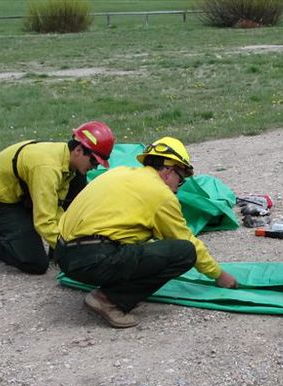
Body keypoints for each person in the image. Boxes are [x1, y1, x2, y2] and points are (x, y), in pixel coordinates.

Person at [55, 137, 238, 328]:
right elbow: (185, 240)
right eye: (180, 179)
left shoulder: (120, 173)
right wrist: (219, 275)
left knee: (143, 243)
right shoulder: (161, 195)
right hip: (94, 260)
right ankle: (109, 300)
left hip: (63, 256)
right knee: (184, 252)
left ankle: (107, 283)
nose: (178, 186)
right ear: (168, 170)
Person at [0, 121, 114, 274]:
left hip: (22, 195)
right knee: (35, 263)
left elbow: (57, 205)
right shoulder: (47, 169)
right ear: (78, 150)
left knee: (79, 180)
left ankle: (55, 246)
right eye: (94, 161)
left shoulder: (67, 160)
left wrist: (74, 237)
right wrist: (70, 249)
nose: (95, 167)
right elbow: (44, 220)